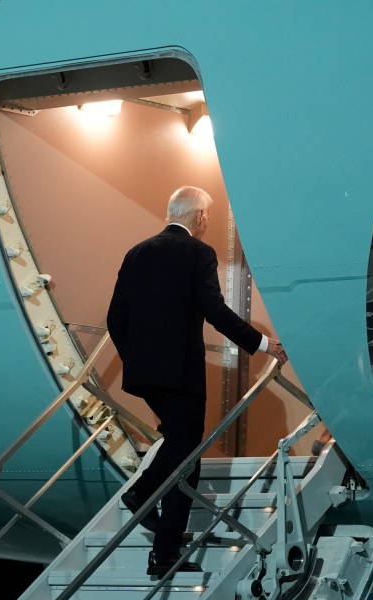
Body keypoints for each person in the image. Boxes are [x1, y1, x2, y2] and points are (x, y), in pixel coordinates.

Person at [106, 185, 287, 577]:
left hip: (143, 375)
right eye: (209, 216)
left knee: (178, 444)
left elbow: (115, 319)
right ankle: (162, 550)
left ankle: (143, 500)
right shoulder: (198, 253)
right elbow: (214, 311)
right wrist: (262, 343)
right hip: (180, 374)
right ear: (201, 217)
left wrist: (136, 359)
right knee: (188, 458)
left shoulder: (136, 253)